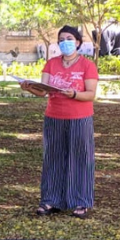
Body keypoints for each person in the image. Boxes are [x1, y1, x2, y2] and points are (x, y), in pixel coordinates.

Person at [22, 25, 99, 219]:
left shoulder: (87, 65)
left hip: (79, 119)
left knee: (80, 159)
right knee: (53, 158)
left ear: (78, 42)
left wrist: (74, 94)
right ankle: (51, 200)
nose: (65, 43)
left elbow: (91, 94)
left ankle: (80, 202)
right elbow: (43, 91)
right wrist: (29, 87)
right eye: (62, 40)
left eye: (69, 39)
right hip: (54, 117)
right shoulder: (51, 64)